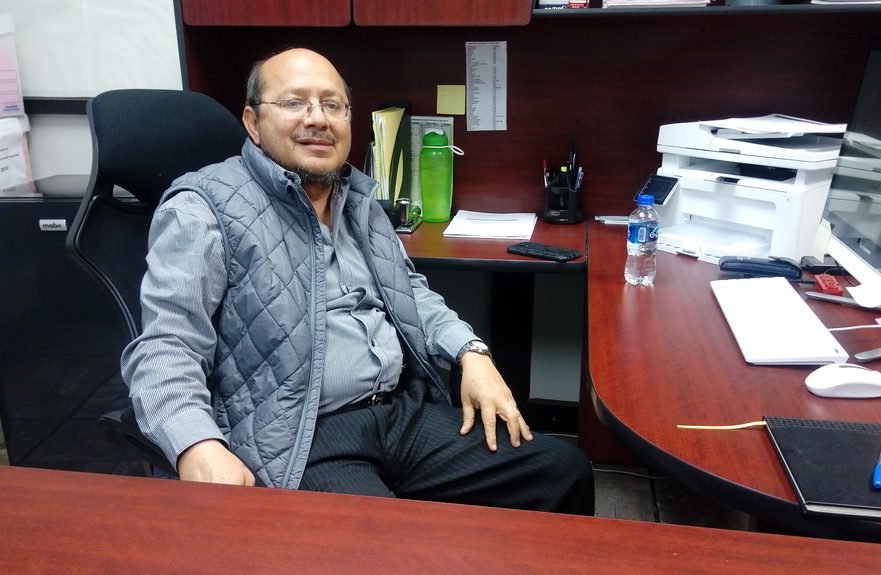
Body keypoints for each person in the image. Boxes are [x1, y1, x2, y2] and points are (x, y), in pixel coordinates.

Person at [122, 47, 594, 515]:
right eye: (294, 102)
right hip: (297, 434)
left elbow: (409, 293)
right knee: (387, 543)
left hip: (395, 412)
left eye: (333, 105)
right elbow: (167, 345)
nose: (317, 118)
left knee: (562, 471)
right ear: (253, 123)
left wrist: (471, 353)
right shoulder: (201, 210)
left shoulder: (358, 199)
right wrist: (195, 444)